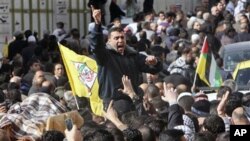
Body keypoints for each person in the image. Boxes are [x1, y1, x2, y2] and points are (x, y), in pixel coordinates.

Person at [90, 6, 162, 104]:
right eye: (116, 38)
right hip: (112, 103)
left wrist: (155, 62)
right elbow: (96, 45)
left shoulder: (133, 56)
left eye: (122, 37)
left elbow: (155, 69)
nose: (120, 40)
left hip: (132, 102)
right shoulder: (105, 56)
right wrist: (97, 25)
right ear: (109, 40)